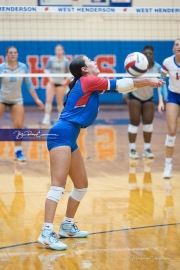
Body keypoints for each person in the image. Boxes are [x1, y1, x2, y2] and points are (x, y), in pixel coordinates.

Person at [37, 55, 164, 250]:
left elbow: (125, 86)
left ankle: (67, 225)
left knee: (81, 186)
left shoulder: (90, 83)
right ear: (84, 70)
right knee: (58, 187)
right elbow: (121, 84)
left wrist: (143, 82)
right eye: (90, 61)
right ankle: (46, 233)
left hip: (70, 136)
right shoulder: (87, 81)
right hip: (61, 134)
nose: (94, 62)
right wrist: (148, 80)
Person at [0, 46, 44, 162]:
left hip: (17, 100)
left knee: (19, 125)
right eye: (10, 52)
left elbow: (29, 84)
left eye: (15, 52)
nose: (13, 54)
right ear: (7, 55)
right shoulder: (1, 68)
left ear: (17, 55)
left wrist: (37, 99)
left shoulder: (23, 67)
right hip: (2, 99)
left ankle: (18, 151)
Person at [123, 45, 167, 159]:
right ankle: (132, 150)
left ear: (153, 55)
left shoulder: (157, 67)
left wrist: (164, 99)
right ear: (142, 55)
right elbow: (126, 79)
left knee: (148, 124)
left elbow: (161, 84)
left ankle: (147, 149)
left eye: (150, 53)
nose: (148, 55)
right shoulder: (135, 65)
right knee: (134, 122)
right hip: (135, 96)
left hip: (149, 97)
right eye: (146, 53)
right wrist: (124, 94)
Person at [158, 38, 180, 179]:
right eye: (177, 44)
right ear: (173, 48)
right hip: (173, 96)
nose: (179, 46)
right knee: (171, 131)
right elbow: (162, 82)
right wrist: (161, 101)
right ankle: (168, 166)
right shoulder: (167, 62)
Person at [41, 44, 70, 125]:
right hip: (52, 83)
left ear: (63, 51)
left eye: (60, 49)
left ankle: (59, 118)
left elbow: (70, 72)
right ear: (55, 51)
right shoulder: (51, 60)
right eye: (57, 49)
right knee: (48, 100)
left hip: (61, 84)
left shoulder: (66, 61)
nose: (59, 51)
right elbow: (46, 70)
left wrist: (66, 80)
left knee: (59, 102)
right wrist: (50, 78)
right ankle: (46, 118)